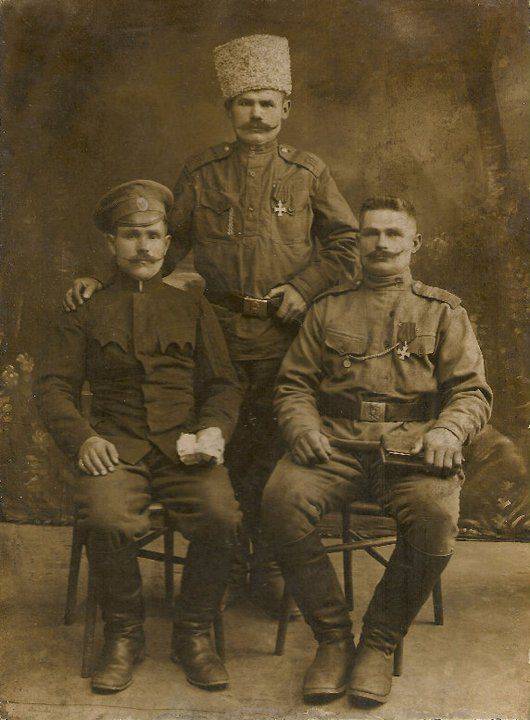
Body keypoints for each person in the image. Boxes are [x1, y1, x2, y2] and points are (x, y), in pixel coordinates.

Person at [61, 34, 359, 616]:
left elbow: (345, 244)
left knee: (271, 451)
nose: (257, 114)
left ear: (286, 108)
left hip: (284, 336)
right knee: (219, 446)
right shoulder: (202, 172)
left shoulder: (308, 172)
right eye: (246, 102)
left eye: (267, 103)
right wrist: (104, 285)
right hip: (216, 330)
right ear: (229, 108)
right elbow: (159, 246)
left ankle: (269, 563)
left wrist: (303, 288)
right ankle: (223, 564)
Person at [261, 196, 492, 704]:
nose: (381, 243)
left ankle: (379, 642)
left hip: (412, 452)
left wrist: (448, 432)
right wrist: (301, 427)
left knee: (435, 515)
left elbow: (471, 392)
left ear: (415, 243)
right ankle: (332, 639)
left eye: (393, 233)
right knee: (281, 500)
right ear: (359, 241)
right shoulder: (327, 307)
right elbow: (294, 385)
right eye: (371, 233)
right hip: (335, 446)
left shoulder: (443, 311)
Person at [36, 180, 243, 693]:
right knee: (106, 518)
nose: (143, 247)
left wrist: (213, 430)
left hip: (182, 449)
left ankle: (193, 633)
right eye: (131, 235)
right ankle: (124, 635)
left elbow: (222, 384)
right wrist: (83, 439)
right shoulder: (86, 307)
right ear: (111, 243)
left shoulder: (192, 306)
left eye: (153, 235)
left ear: (168, 243)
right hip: (116, 448)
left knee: (222, 517)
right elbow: (54, 386)